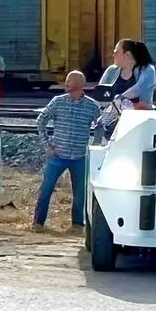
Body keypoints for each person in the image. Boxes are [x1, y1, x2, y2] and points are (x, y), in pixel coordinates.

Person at [34, 71, 101, 230]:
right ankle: (38, 223)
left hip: (79, 157)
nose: (65, 84)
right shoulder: (58, 102)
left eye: (68, 81)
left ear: (78, 85)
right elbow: (41, 121)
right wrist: (47, 144)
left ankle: (77, 224)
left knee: (80, 194)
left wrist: (95, 146)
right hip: (57, 155)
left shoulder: (92, 106)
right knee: (46, 190)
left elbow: (100, 126)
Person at [97, 39, 156, 110]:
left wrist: (119, 99)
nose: (113, 55)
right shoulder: (111, 70)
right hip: (113, 116)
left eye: (116, 52)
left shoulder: (147, 69)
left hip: (140, 115)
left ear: (127, 54)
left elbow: (139, 88)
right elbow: (101, 94)